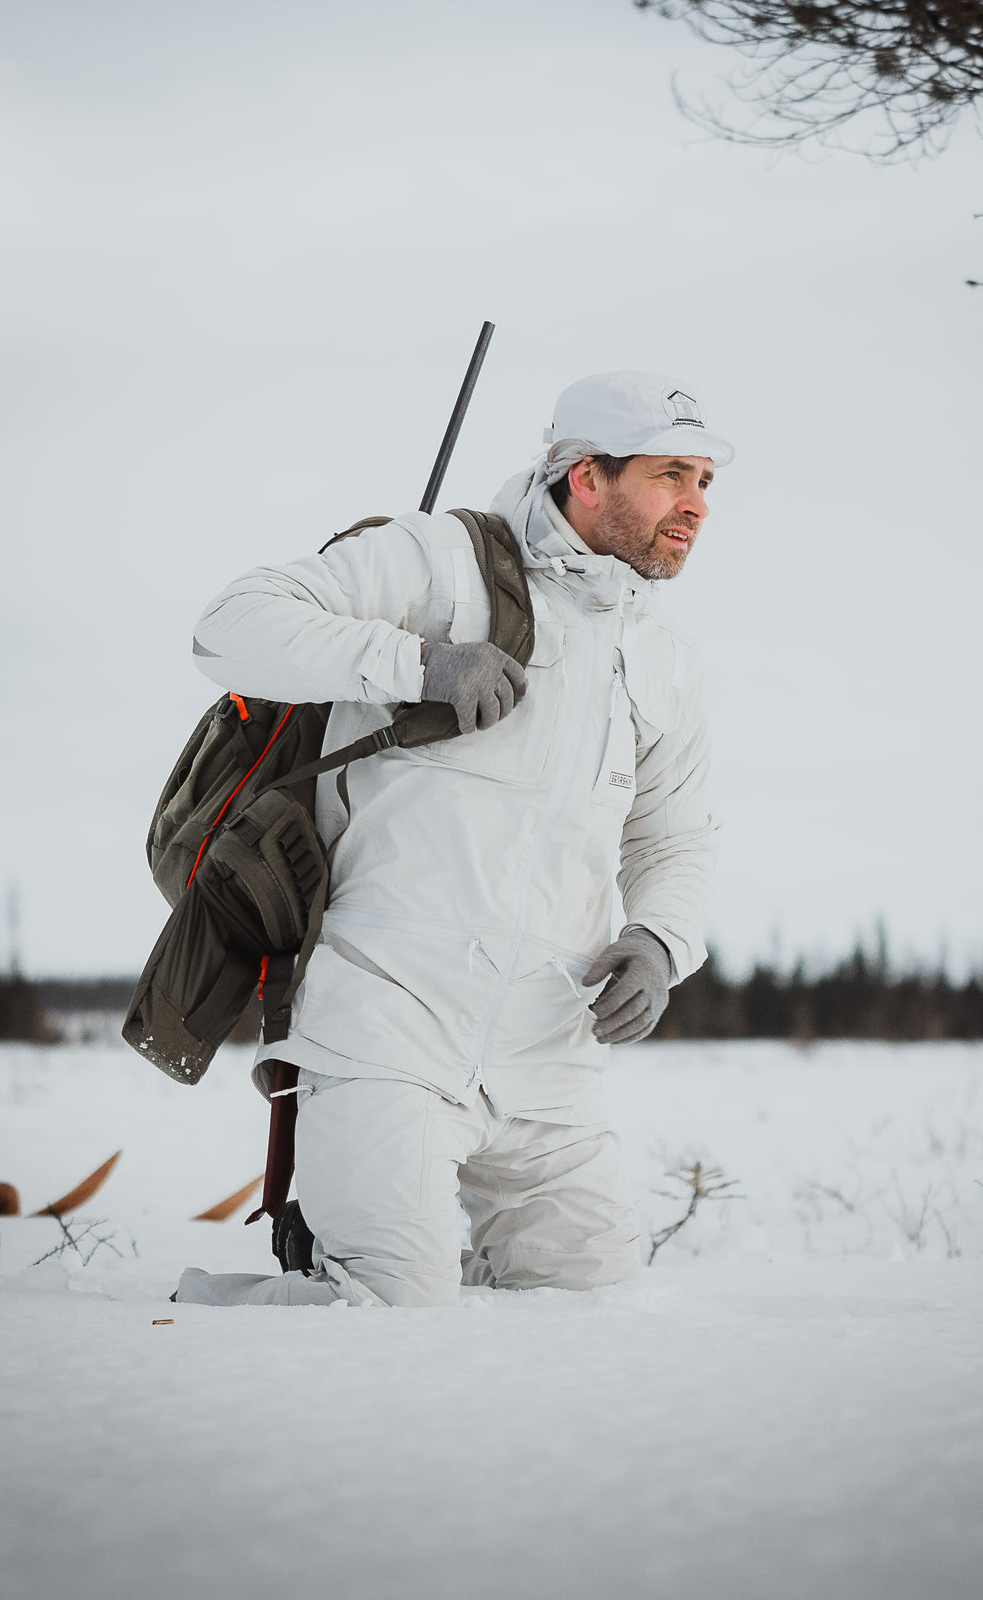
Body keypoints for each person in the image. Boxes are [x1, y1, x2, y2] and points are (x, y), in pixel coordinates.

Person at [174, 370, 732, 1308]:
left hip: (552, 1044)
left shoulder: (667, 658)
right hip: (389, 1018)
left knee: (590, 1309)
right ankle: (221, 1315)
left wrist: (660, 940)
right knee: (389, 1304)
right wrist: (418, 662)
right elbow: (229, 628)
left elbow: (677, 835)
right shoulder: (435, 563)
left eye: (707, 482)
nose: (696, 505)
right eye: (671, 474)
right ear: (584, 474)